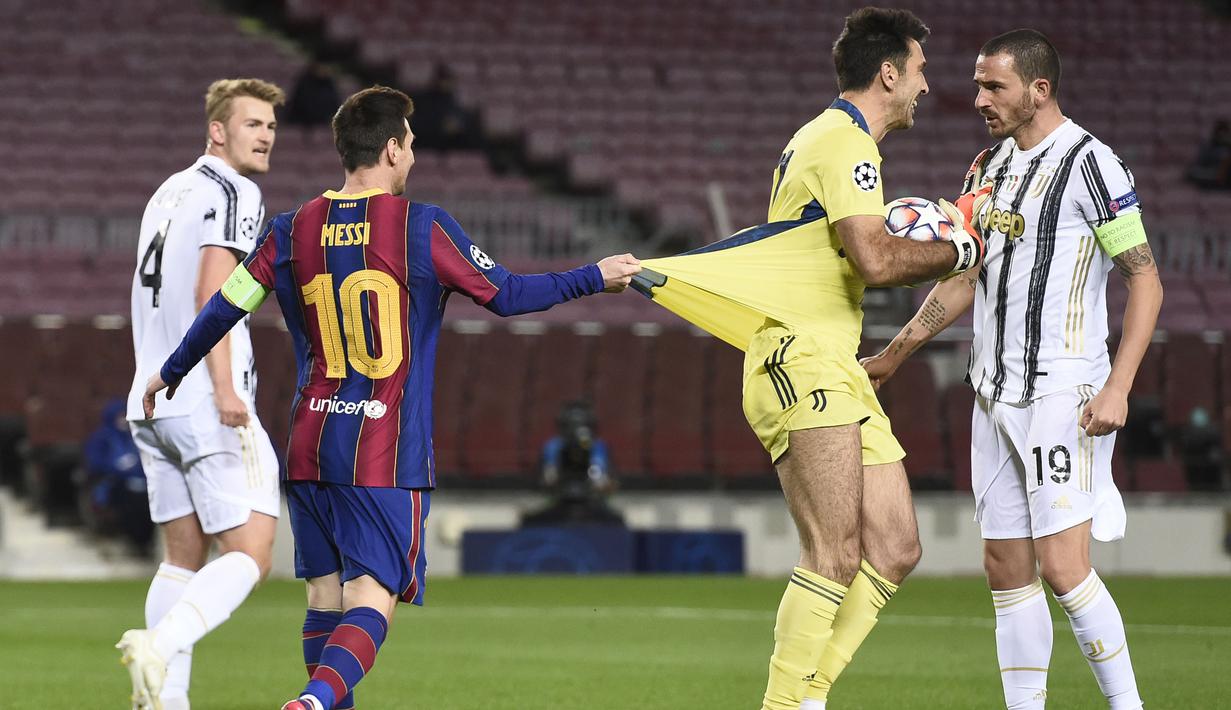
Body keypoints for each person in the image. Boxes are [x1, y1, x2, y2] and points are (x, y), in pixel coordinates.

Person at [135, 85, 641, 710]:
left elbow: (227, 303)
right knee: (373, 600)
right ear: (394, 149)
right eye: (411, 143)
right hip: (383, 445)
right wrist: (596, 276)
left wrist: (174, 367)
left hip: (311, 441)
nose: (414, 156)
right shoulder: (423, 227)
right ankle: (311, 703)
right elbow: (508, 295)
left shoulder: (289, 230)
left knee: (324, 600)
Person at [631, 9, 986, 709]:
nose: (924, 84)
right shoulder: (841, 144)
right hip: (800, 355)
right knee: (832, 553)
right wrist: (961, 248)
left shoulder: (827, 140)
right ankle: (786, 704)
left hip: (834, 360)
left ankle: (808, 693)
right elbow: (875, 258)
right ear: (887, 73)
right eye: (918, 70)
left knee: (894, 549)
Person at [861, 29, 1162, 710]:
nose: (977, 99)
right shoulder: (984, 169)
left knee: (1062, 566)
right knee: (1003, 568)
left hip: (1063, 390)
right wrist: (895, 354)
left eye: (992, 86)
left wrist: (1117, 385)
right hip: (991, 395)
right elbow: (964, 278)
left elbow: (1143, 280)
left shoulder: (1091, 165)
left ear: (1038, 90)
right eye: (975, 84)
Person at [117, 78, 285, 710]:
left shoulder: (167, 191)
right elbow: (214, 293)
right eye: (252, 124)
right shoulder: (236, 190)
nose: (266, 135)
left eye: (270, 125)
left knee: (182, 560)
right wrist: (224, 387)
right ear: (218, 130)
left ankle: (164, 701)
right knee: (252, 553)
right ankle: (159, 645)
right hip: (204, 396)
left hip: (151, 399)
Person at [521, 400, 622, 526]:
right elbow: (539, 480)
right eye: (571, 426)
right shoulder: (552, 447)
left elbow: (612, 482)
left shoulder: (600, 448)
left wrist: (602, 483)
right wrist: (551, 480)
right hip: (558, 501)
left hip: (593, 502)